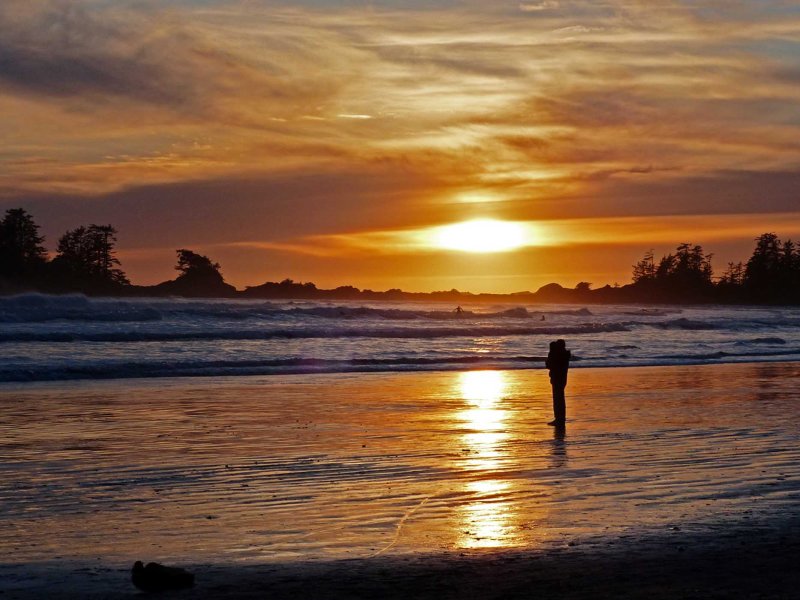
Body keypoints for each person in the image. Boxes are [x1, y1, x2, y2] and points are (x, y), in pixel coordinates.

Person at [545, 338, 570, 426]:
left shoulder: (557, 355)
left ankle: (559, 419)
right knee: (560, 399)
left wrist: (551, 353)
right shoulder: (565, 355)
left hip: (557, 379)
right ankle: (561, 418)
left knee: (557, 400)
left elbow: (548, 365)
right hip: (562, 379)